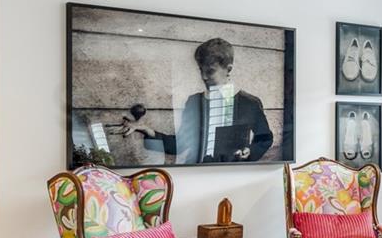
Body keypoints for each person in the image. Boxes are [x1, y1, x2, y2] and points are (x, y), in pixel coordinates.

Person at [117, 37, 274, 162]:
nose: (204, 77)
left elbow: (265, 139)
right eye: (201, 70)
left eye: (210, 71)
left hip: (234, 175)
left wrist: (250, 151)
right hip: (198, 173)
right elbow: (180, 145)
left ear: (228, 69)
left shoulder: (249, 103)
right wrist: (146, 129)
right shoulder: (194, 102)